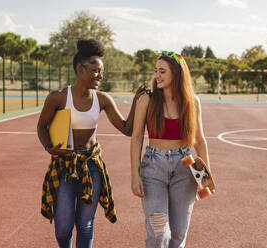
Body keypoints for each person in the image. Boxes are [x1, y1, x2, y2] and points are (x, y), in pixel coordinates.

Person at [37, 38, 148, 248]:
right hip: (65, 165)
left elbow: (126, 128)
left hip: (92, 166)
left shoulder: (103, 99)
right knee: (63, 227)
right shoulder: (58, 98)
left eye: (102, 71)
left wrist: (135, 101)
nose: (100, 76)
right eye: (95, 70)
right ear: (80, 69)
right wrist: (48, 147)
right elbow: (41, 127)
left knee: (85, 225)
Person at [130, 51, 211, 248]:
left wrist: (205, 178)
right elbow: (137, 137)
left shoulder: (192, 102)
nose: (156, 75)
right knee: (159, 234)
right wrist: (134, 175)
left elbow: (199, 141)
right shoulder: (147, 100)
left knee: (177, 236)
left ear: (176, 73)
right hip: (153, 168)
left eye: (162, 71)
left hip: (185, 167)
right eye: (156, 71)